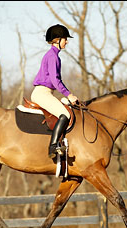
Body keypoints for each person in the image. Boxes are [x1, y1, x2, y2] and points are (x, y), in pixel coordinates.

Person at [31, 24, 79, 158]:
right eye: (65, 39)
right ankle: (53, 146)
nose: (67, 41)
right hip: (42, 93)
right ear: (57, 40)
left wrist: (69, 95)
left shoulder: (54, 56)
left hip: (46, 92)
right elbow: (55, 80)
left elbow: (57, 80)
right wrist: (69, 95)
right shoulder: (52, 56)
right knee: (65, 114)